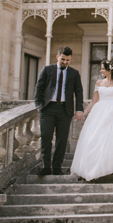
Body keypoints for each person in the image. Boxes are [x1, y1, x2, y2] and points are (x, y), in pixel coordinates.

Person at [34, 47, 84, 175]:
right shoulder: (47, 69)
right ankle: (46, 166)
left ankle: (57, 167)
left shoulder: (74, 73)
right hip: (47, 109)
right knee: (46, 137)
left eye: (68, 60)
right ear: (57, 57)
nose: (65, 62)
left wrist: (79, 109)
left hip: (65, 110)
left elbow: (79, 92)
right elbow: (39, 87)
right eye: (63, 59)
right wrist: (39, 104)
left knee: (62, 140)